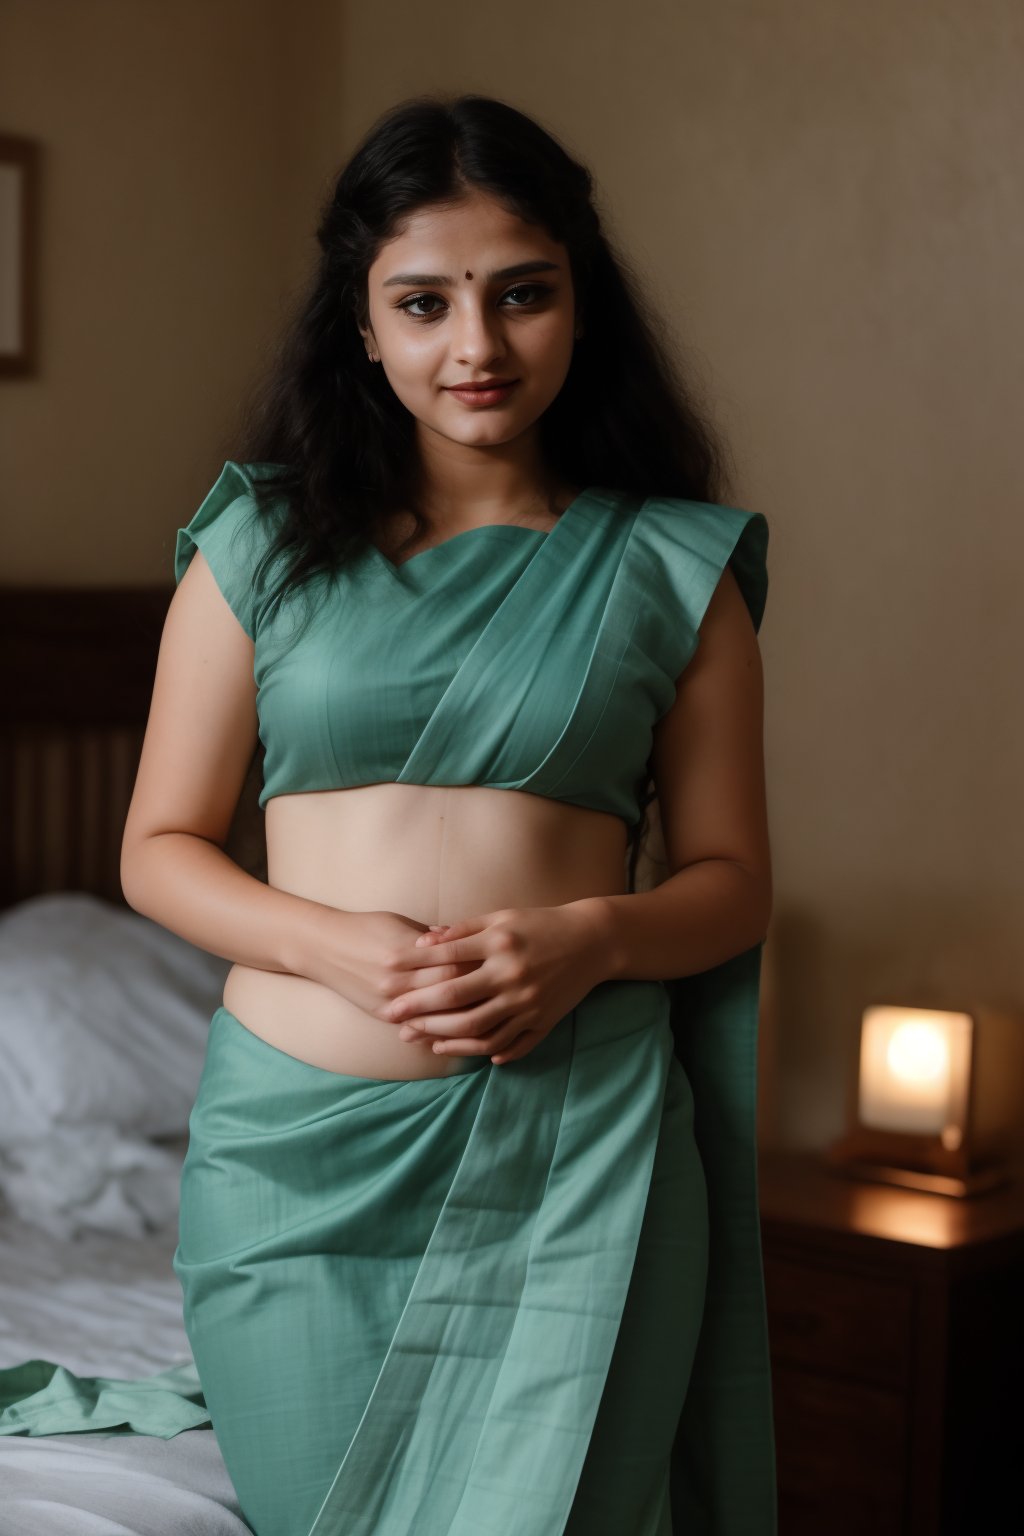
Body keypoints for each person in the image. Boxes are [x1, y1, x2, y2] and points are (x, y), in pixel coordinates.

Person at [0, 92, 776, 1534]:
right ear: (362, 327)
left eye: (522, 296)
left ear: (579, 305)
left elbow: (733, 882)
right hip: (294, 1187)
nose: (474, 347)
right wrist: (331, 947)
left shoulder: (679, 570)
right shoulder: (257, 547)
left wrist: (592, 938)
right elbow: (156, 852)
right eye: (422, 303)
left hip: (580, 1160)